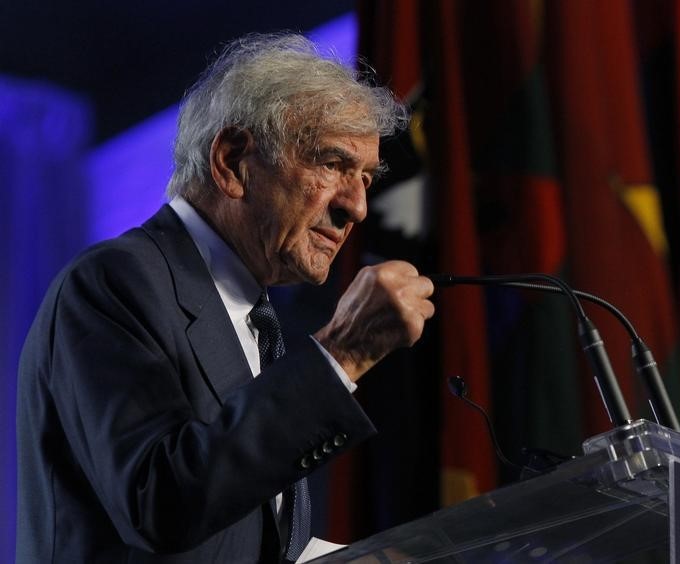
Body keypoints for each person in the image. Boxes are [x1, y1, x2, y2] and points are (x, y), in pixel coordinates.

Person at [16, 33, 435, 563]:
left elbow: (229, 528)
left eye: (367, 178)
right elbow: (159, 503)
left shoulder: (255, 315)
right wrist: (342, 355)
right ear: (234, 161)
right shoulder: (113, 283)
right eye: (333, 164)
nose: (357, 207)